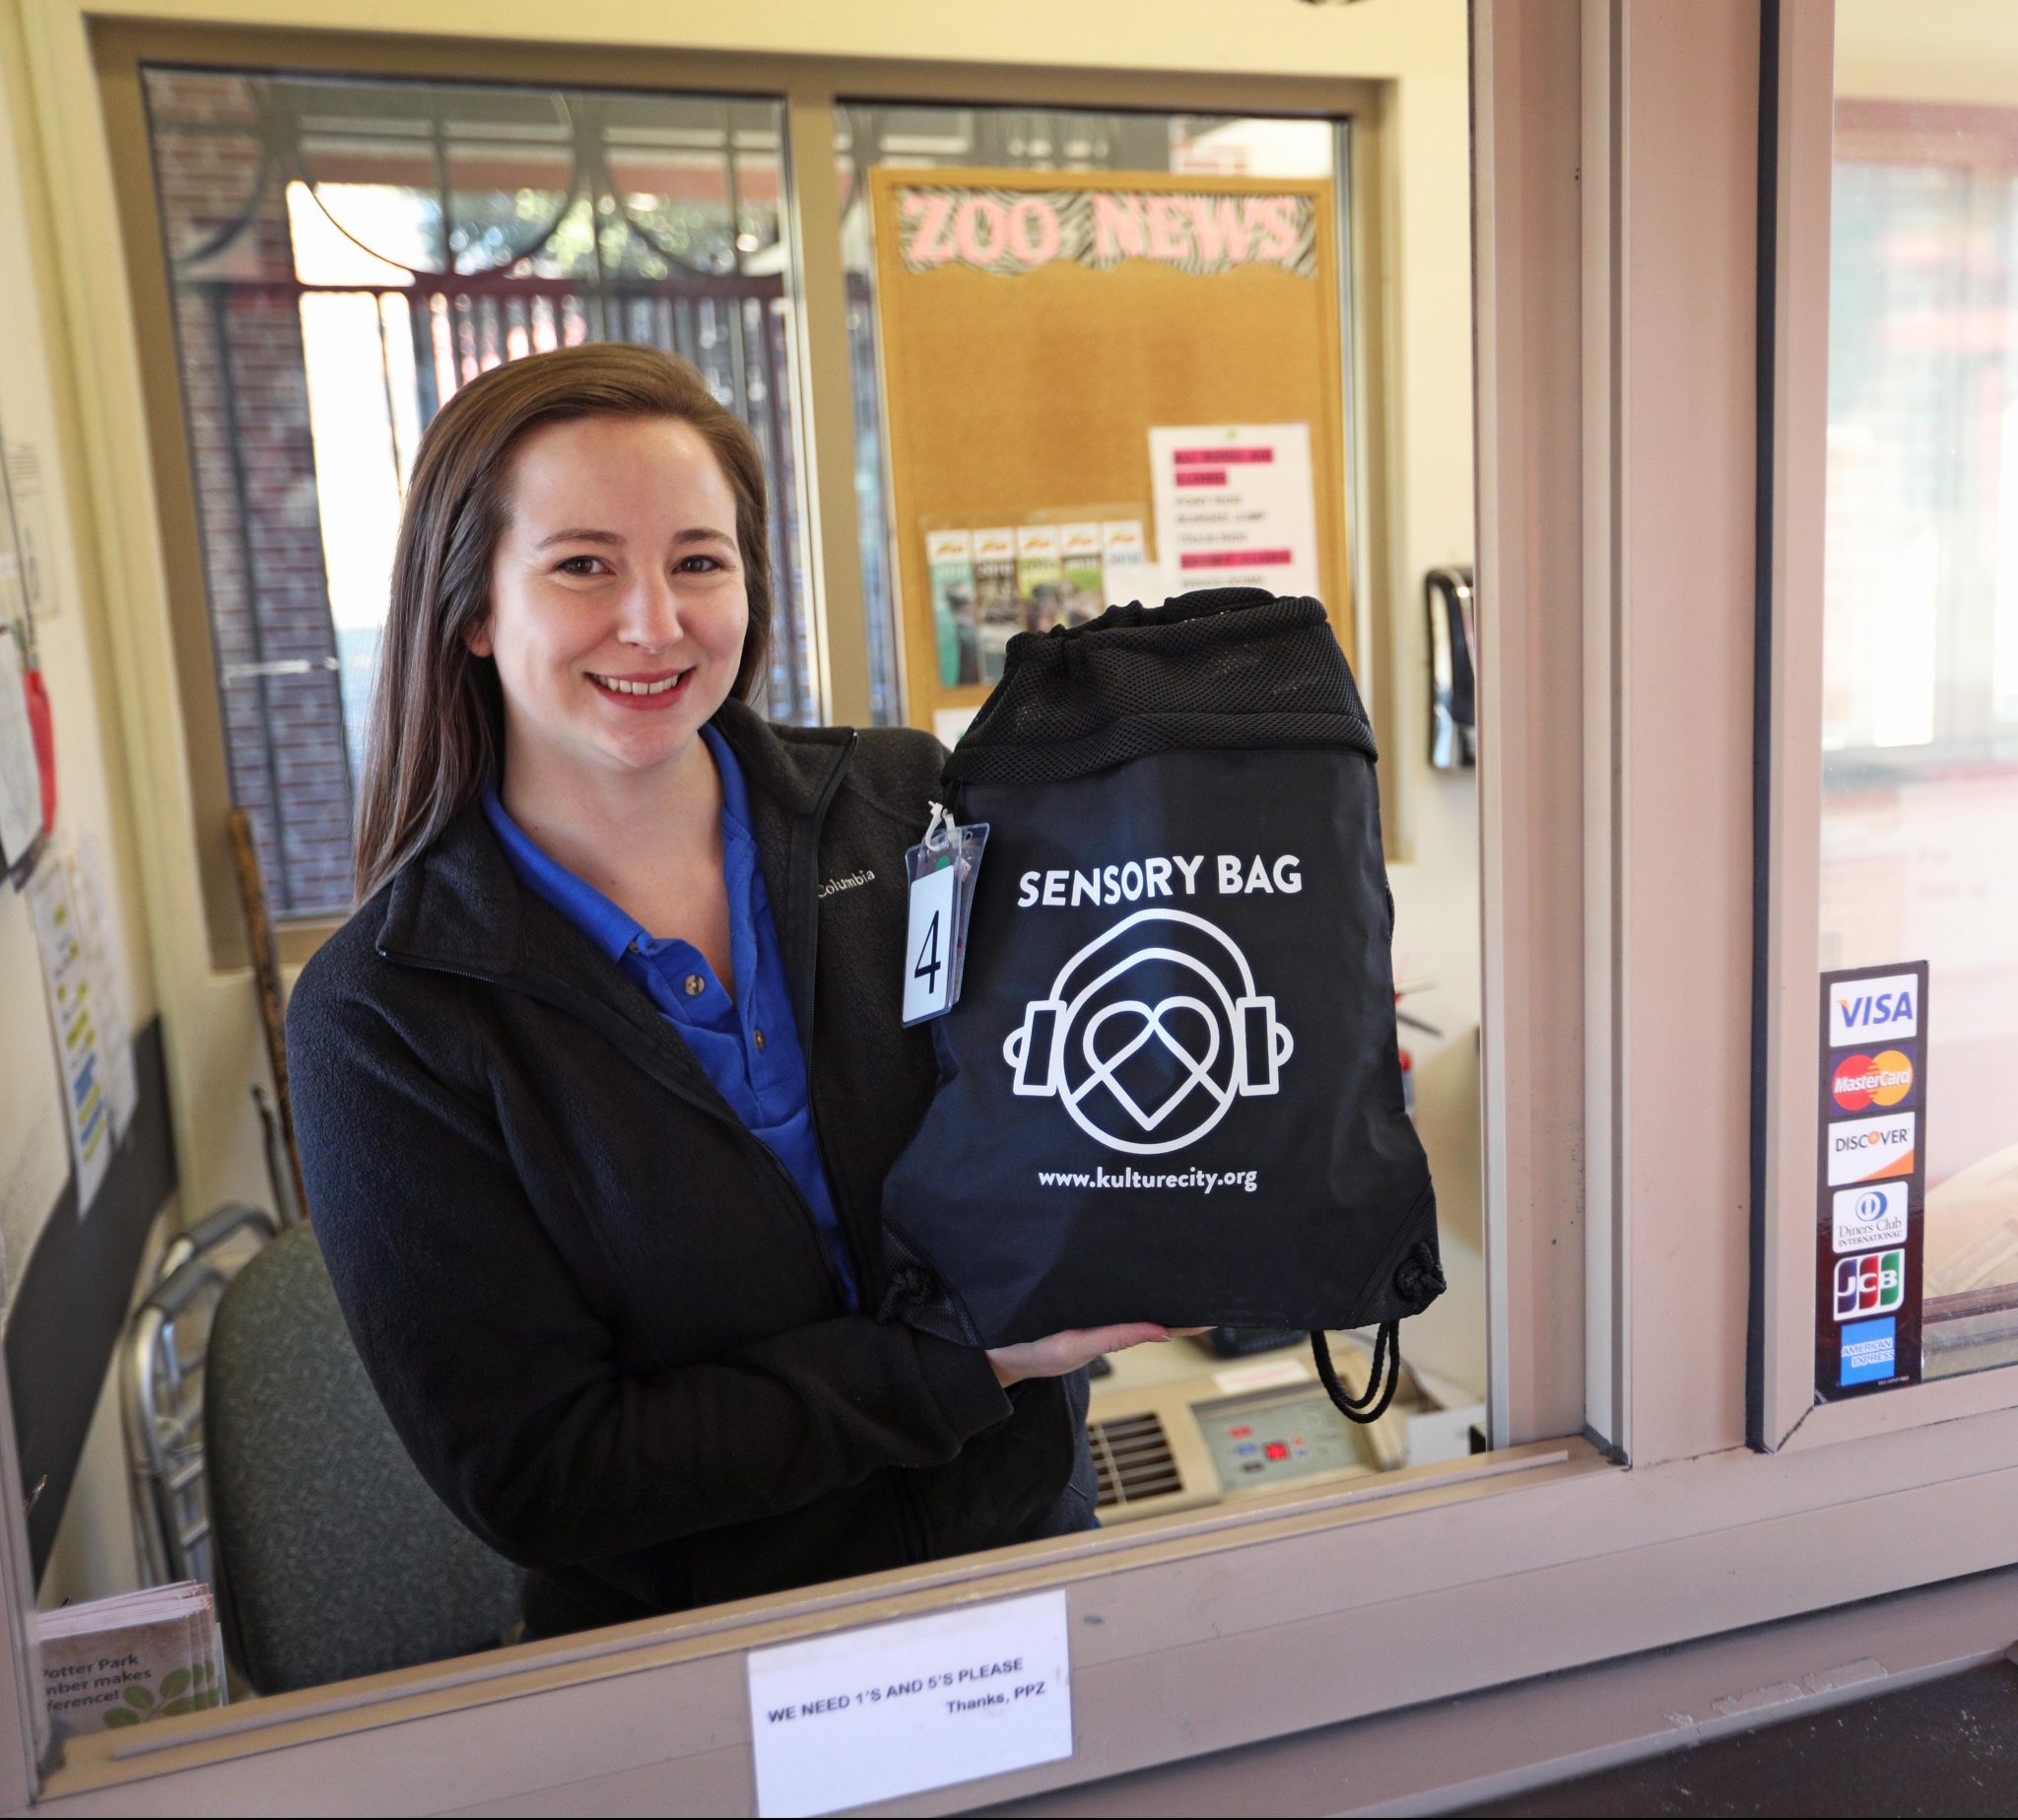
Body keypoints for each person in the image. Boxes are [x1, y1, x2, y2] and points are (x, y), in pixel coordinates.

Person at [287, 344, 1183, 1640]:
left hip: (1023, 1567)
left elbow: (1051, 1116)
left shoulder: (902, 806)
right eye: (584, 564)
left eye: (699, 561)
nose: (654, 621)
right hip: (698, 1666)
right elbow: (544, 1477)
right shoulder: (389, 1016)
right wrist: (964, 1360)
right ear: (473, 608)